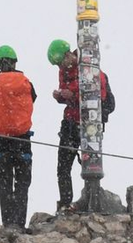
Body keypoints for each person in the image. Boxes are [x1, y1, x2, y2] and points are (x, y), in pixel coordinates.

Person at [47, 38, 112, 211]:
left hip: (88, 124)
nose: (60, 66)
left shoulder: (88, 67)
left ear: (68, 54)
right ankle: (66, 203)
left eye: (61, 62)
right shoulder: (64, 72)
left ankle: (91, 201)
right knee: (63, 166)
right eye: (57, 64)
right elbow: (75, 95)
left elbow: (97, 97)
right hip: (70, 122)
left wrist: (72, 96)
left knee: (90, 166)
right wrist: (61, 97)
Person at [0, 45, 36, 228]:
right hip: (22, 141)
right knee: (22, 184)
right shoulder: (27, 84)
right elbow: (31, 101)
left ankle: (7, 224)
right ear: (15, 62)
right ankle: (19, 225)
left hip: (2, 141)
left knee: (5, 185)